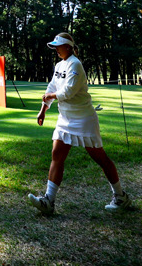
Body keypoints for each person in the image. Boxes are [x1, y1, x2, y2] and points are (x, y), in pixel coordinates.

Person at [27, 32, 130, 216]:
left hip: (84, 119)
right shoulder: (59, 65)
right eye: (54, 47)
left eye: (58, 46)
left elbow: (68, 91)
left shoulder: (75, 64)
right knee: (57, 155)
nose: (56, 50)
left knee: (100, 158)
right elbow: (52, 87)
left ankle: (121, 197)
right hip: (65, 119)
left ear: (68, 47)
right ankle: (48, 201)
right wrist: (43, 109)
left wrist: (50, 96)